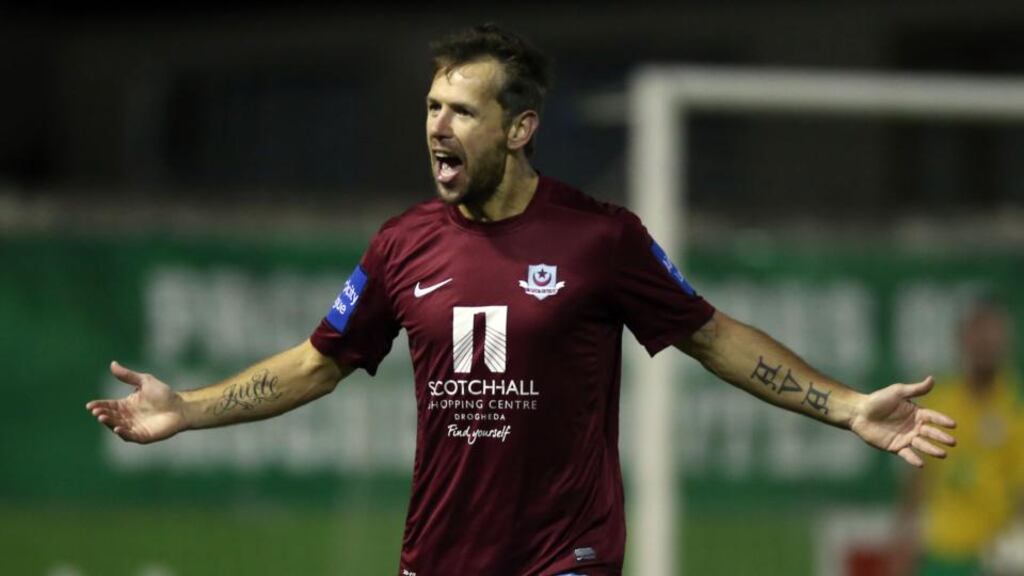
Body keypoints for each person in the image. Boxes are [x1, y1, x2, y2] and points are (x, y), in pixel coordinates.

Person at [87, 24, 957, 576]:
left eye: (462, 111)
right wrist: (188, 411)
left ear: (520, 128)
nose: (437, 126)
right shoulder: (402, 244)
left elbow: (713, 335)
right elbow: (318, 364)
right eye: (432, 106)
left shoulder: (602, 237)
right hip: (440, 555)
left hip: (564, 556)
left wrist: (845, 406)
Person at [890, 298, 1021, 576]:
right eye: (978, 335)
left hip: (992, 556)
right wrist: (901, 547)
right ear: (962, 339)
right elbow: (916, 481)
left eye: (992, 336)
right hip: (942, 552)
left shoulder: (1015, 408)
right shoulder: (941, 400)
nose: (985, 344)